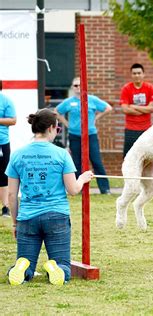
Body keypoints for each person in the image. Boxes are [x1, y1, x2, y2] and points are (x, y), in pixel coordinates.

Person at [6, 109, 93, 286]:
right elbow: (73, 189)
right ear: (52, 128)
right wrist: (83, 178)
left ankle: (22, 268)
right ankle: (57, 268)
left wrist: (16, 223)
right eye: (58, 129)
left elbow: (11, 195)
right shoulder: (61, 154)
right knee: (63, 266)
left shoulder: (17, 154)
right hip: (57, 216)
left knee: (26, 264)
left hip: (27, 217)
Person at [55, 77, 112, 194]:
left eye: (80, 85)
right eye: (75, 85)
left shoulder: (92, 100)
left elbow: (108, 108)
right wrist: (66, 123)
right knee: (76, 162)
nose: (78, 88)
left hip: (90, 135)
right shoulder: (69, 101)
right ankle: (77, 188)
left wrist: (96, 118)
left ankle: (105, 189)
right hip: (75, 136)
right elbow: (56, 111)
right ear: (72, 87)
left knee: (96, 161)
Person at [120, 63, 153, 158]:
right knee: (128, 157)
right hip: (130, 129)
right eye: (134, 73)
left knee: (147, 157)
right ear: (131, 75)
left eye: (139, 73)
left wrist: (133, 106)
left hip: (146, 129)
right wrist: (146, 109)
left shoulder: (149, 88)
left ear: (143, 74)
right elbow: (124, 109)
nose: (137, 75)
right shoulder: (126, 88)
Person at [0, 80, 16, 217]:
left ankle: (5, 207)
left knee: (3, 175)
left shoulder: (6, 101)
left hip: (2, 142)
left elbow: (13, 120)